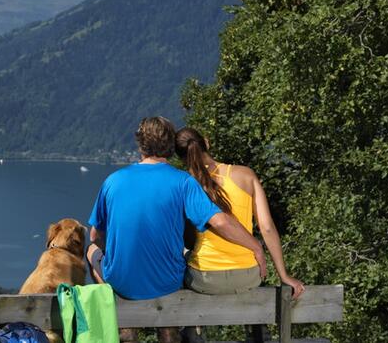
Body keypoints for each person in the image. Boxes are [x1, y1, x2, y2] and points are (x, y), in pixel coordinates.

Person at [85, 117, 267, 343]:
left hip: (123, 282)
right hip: (167, 282)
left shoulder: (112, 181)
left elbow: (96, 236)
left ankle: (125, 323)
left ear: (140, 145)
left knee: (90, 250)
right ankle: (168, 333)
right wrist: (255, 246)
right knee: (182, 254)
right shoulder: (183, 182)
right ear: (170, 147)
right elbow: (220, 222)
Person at [175, 127, 306, 342]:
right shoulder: (245, 175)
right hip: (249, 275)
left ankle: (194, 332)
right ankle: (258, 334)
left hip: (204, 278)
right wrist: (284, 276)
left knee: (184, 258)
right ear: (206, 142)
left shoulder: (184, 184)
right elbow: (267, 228)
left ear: (180, 156)